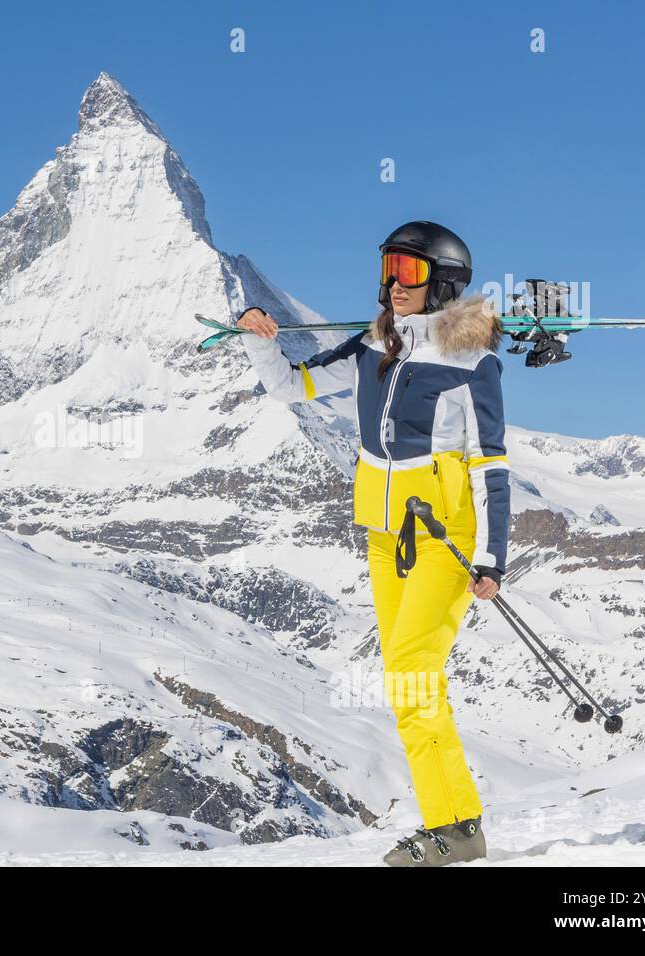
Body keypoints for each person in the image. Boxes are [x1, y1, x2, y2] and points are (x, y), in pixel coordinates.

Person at [238, 221, 509, 866]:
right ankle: (457, 826)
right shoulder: (371, 346)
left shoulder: (472, 359)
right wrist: (260, 340)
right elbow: (293, 385)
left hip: (447, 535)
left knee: (413, 671)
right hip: (387, 535)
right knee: (408, 682)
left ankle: (454, 833)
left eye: (410, 271)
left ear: (442, 283)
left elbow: (491, 464)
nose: (393, 282)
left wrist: (493, 555)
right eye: (388, 266)